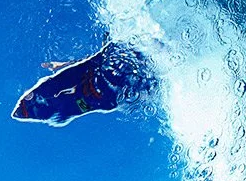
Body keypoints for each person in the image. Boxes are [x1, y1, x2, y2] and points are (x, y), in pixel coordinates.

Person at [12, 42, 153, 127]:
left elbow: (80, 70)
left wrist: (64, 65)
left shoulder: (66, 105)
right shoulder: (65, 106)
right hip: (105, 91)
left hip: (106, 90)